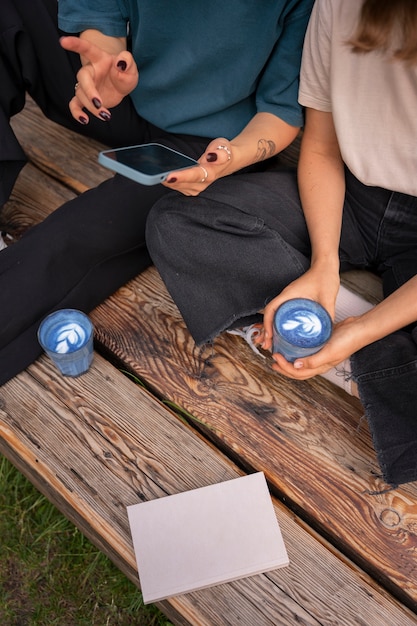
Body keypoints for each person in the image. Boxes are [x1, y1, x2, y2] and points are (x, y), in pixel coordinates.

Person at [147, 0, 417, 486]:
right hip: (349, 196)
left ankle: (343, 335)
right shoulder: (339, 6)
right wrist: (324, 261)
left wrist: (365, 329)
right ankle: (346, 333)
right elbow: (321, 146)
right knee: (179, 222)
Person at [0, 0, 314, 386]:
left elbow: (281, 110)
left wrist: (227, 159)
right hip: (117, 98)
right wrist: (107, 67)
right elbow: (101, 16)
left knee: (77, 234)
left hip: (212, 145)